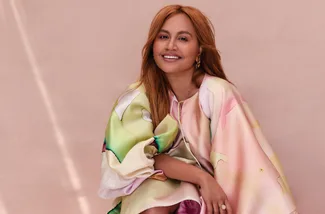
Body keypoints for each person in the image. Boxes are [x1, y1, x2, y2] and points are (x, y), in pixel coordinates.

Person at [98, 4, 298, 214]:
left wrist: (211, 185)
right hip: (163, 182)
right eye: (163, 37)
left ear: (199, 50)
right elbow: (139, 160)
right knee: (152, 201)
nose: (171, 46)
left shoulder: (217, 93)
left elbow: (242, 159)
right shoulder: (138, 98)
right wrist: (202, 178)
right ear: (152, 45)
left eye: (183, 39)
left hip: (217, 188)